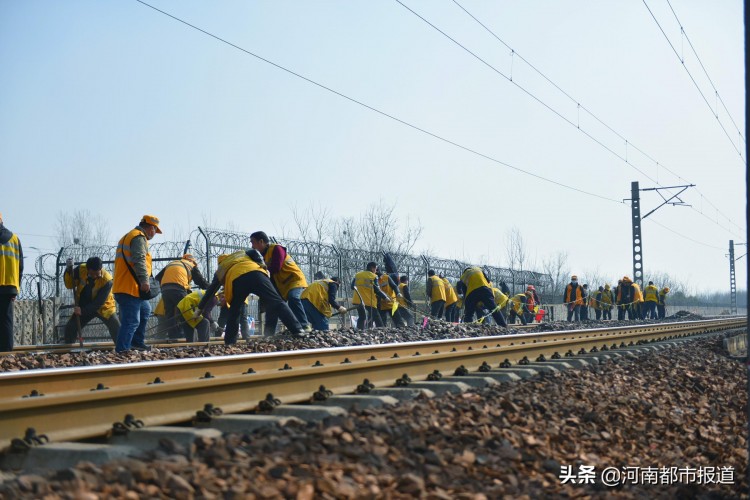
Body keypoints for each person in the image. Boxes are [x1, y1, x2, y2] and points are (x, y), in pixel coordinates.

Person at [198, 250, 305, 343]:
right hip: (256, 274)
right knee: (277, 301)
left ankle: (230, 341)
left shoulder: (221, 268)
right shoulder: (241, 254)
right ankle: (298, 330)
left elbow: (211, 291)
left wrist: (199, 308)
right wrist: (263, 265)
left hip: (237, 280)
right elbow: (254, 252)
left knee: (235, 311)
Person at [113, 215, 161, 352]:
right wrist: (144, 281)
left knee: (145, 310)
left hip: (127, 286)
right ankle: (122, 350)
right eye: (155, 231)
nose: (154, 234)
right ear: (151, 227)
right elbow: (139, 259)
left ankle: (136, 343)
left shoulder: (129, 236)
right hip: (129, 288)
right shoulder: (139, 237)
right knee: (132, 321)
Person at [250, 232, 309, 332]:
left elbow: (276, 268)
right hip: (282, 285)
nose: (252, 246)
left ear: (261, 241)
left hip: (294, 280)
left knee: (293, 297)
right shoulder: (263, 257)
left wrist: (264, 269)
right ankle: (269, 333)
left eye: (253, 242)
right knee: (272, 306)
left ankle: (304, 325)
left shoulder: (277, 248)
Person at [63, 256, 119, 343]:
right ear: (87, 269)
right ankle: (69, 350)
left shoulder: (107, 280)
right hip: (83, 305)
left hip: (104, 307)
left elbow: (98, 303)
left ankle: (122, 348)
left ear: (101, 269)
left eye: (97, 274)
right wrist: (68, 271)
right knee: (71, 327)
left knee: (116, 325)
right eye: (92, 274)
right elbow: (69, 285)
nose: (94, 276)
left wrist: (82, 311)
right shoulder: (81, 270)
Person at [156, 254, 210, 341]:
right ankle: (187, 338)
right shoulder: (191, 265)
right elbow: (200, 280)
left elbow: (158, 277)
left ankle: (174, 338)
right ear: (192, 261)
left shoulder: (172, 263)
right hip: (178, 288)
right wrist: (211, 289)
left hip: (165, 290)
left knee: (170, 316)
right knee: (185, 313)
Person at [0, 213, 22, 352]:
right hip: (9, 285)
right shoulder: (14, 238)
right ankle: (6, 352)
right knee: (6, 320)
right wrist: (16, 287)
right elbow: (21, 266)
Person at [351, 262, 389, 330]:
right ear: (372, 268)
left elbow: (352, 287)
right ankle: (381, 331)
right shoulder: (373, 276)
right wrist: (385, 297)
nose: (376, 271)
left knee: (362, 317)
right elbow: (377, 290)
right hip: (368, 301)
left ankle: (359, 331)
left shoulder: (357, 275)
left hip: (357, 300)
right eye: (375, 269)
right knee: (377, 317)